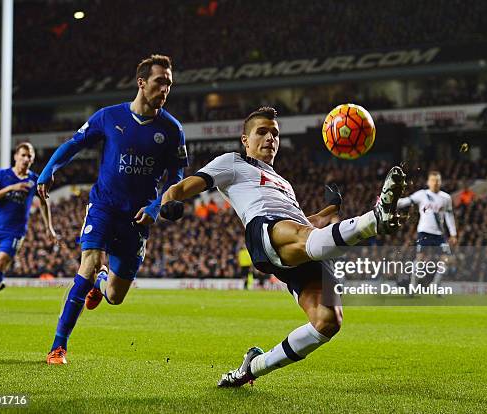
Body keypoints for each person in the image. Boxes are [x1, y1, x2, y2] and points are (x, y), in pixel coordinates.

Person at [158, 107, 406, 386]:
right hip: (265, 228)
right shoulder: (233, 162)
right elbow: (183, 186)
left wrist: (329, 209)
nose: (270, 138)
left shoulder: (284, 183)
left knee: (328, 321)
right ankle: (375, 220)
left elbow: (306, 224)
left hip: (296, 237)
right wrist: (169, 200)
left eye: (274, 133)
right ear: (245, 140)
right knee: (303, 236)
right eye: (261, 132)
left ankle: (252, 368)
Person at [37, 54, 188, 364]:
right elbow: (73, 144)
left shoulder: (172, 130)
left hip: (138, 218)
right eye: (160, 82)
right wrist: (49, 169)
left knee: (115, 297)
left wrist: (156, 207)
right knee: (87, 264)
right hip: (104, 206)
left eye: (169, 84)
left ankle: (104, 279)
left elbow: (177, 176)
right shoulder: (108, 117)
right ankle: (58, 347)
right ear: (142, 83)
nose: (165, 90)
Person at [0, 142, 57, 317]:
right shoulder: (2, 175)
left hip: (15, 231)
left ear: (32, 160)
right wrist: (11, 188)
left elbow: (43, 203)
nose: (26, 159)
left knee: (1, 261)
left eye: (30, 157)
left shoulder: (34, 179)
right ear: (16, 156)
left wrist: (49, 227)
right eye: (23, 155)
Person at [397, 171, 457, 291]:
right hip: (424, 232)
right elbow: (406, 201)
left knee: (446, 259)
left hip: (439, 234)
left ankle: (435, 285)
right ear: (428, 182)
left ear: (441, 182)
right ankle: (413, 287)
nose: (435, 183)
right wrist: (392, 201)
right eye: (433, 180)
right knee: (419, 259)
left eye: (437, 180)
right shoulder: (422, 194)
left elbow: (449, 216)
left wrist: (453, 234)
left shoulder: (446, 198)